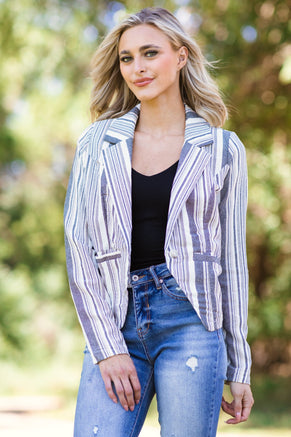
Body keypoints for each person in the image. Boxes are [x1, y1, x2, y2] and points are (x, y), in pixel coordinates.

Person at [64, 7, 254, 437]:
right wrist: (107, 347)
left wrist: (239, 364)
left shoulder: (224, 149)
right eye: (127, 58)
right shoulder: (98, 141)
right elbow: (78, 244)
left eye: (150, 53)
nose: (137, 67)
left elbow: (233, 263)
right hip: (118, 317)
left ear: (182, 57)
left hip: (191, 322)